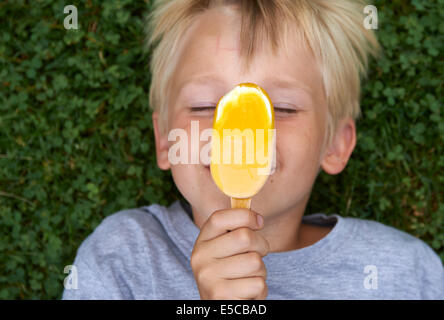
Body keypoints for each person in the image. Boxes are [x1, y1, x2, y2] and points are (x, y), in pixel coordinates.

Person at [62, 0, 444, 299]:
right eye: (204, 107)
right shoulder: (124, 259)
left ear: (335, 144)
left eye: (281, 108)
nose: (238, 134)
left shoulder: (402, 272)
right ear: (164, 140)